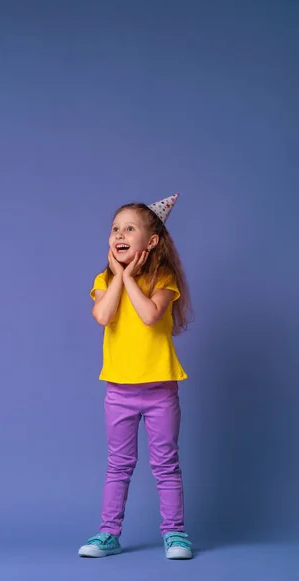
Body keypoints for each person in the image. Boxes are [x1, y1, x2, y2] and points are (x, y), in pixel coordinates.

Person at [78, 194, 193, 560]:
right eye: (115, 229)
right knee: (119, 464)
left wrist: (128, 276)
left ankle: (175, 534)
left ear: (151, 242)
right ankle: (108, 534)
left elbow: (149, 315)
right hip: (119, 391)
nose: (119, 234)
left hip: (160, 391)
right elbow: (103, 316)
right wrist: (119, 276)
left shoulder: (164, 279)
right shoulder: (102, 280)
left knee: (165, 464)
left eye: (130, 228)